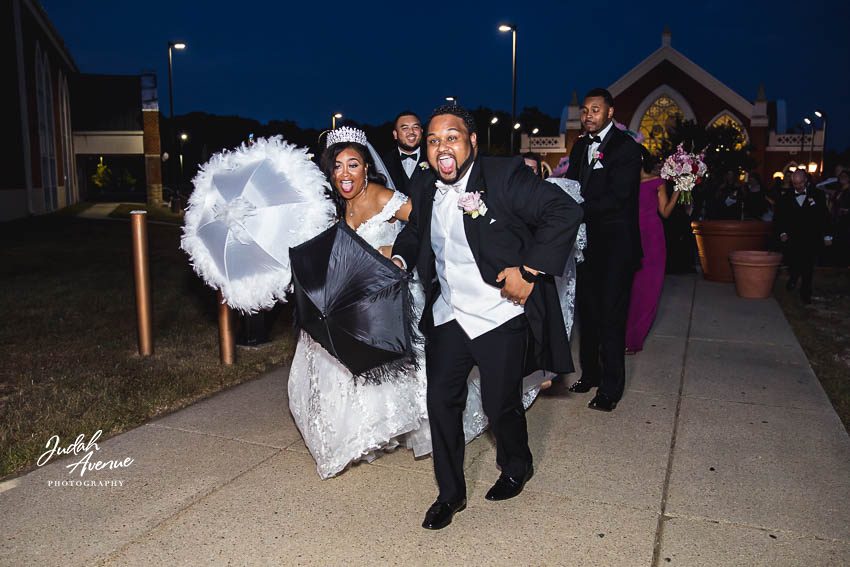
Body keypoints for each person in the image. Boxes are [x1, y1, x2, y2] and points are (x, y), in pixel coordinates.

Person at [392, 105, 581, 530]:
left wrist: (529, 270)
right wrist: (403, 256)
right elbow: (417, 229)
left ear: (472, 142)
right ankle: (450, 494)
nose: (442, 146)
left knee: (501, 405)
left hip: (499, 313)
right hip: (450, 314)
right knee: (440, 401)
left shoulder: (503, 177)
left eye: (452, 137)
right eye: (434, 140)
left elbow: (565, 212)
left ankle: (517, 465)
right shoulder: (425, 183)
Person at [564, 88, 642, 411]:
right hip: (584, 247)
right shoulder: (581, 145)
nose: (588, 115)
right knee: (588, 314)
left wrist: (577, 208)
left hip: (615, 249)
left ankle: (611, 388)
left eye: (595, 110)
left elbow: (618, 198)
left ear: (610, 113)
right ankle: (590, 374)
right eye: (585, 110)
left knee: (611, 316)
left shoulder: (626, 149)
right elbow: (570, 186)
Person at [625, 149, 679, 353]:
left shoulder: (656, 181)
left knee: (649, 288)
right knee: (629, 290)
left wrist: (679, 190)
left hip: (652, 239)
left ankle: (634, 339)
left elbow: (665, 212)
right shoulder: (624, 184)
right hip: (629, 238)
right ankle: (622, 335)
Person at [774, 169, 833, 304]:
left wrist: (827, 235)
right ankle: (794, 277)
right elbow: (780, 217)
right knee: (793, 262)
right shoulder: (786, 197)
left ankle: (805, 292)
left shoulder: (817, 195)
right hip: (792, 237)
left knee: (808, 266)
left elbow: (824, 216)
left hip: (811, 237)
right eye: (795, 184)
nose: (798, 186)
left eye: (800, 183)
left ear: (806, 181)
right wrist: (782, 233)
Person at [382, 111, 428, 195]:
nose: (411, 132)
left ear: (421, 131)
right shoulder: (384, 162)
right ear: (395, 134)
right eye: (405, 128)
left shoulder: (433, 158)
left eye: (416, 127)